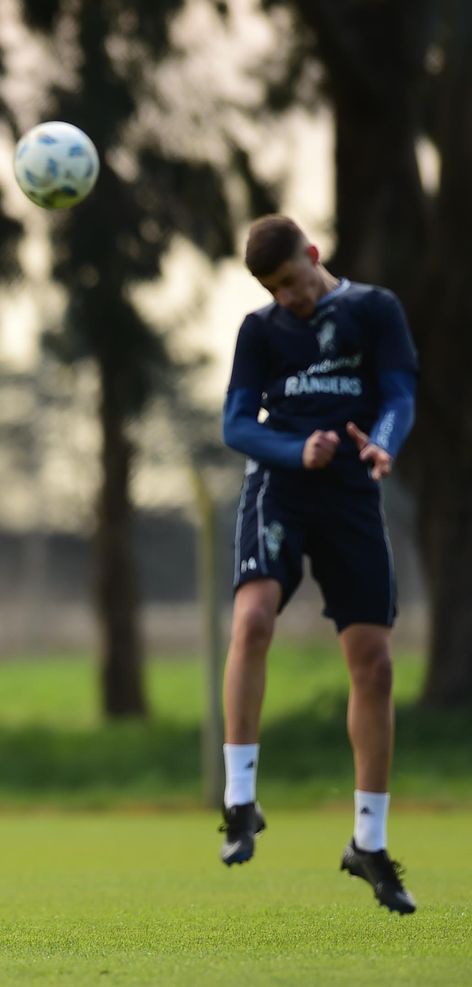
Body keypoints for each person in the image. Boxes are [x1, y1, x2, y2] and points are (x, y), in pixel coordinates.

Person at [218, 215, 418, 914]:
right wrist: (293, 451)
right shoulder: (260, 331)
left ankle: (369, 843)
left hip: (351, 496)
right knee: (252, 620)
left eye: (293, 281)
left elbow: (398, 393)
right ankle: (239, 800)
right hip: (280, 488)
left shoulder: (374, 309)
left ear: (313, 254)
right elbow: (235, 424)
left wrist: (383, 442)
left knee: (375, 664)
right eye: (274, 289)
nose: (289, 297)